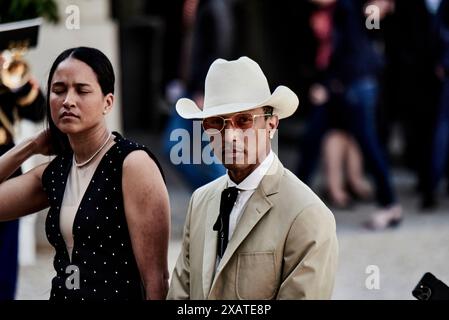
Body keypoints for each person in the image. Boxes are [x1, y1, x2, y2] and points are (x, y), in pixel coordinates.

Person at [0, 47, 170, 300]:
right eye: (58, 91)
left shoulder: (131, 164)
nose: (68, 100)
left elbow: (156, 279)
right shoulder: (56, 171)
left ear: (107, 102)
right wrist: (30, 146)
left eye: (82, 90)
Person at [167, 57, 338, 299]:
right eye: (216, 123)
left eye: (243, 120)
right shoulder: (200, 202)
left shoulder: (307, 214)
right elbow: (180, 294)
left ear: (271, 124)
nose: (229, 136)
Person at [0, 50, 45, 300]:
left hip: (6, 166)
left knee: (5, 254)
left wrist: (17, 81)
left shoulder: (6, 70)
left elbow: (38, 111)